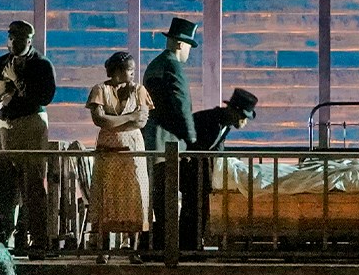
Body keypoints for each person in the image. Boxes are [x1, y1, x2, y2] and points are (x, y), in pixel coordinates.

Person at [0, 20, 56, 252]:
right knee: (3, 185)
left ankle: (39, 241)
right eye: (11, 38)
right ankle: (3, 240)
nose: (14, 42)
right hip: (5, 126)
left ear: (29, 40)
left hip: (30, 125)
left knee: (33, 185)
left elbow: (45, 96)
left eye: (19, 38)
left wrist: (17, 81)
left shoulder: (41, 64)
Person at [86, 51, 153, 250]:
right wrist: (128, 118)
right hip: (108, 149)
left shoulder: (138, 90)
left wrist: (114, 121)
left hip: (132, 149)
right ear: (117, 71)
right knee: (106, 194)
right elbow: (100, 119)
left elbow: (142, 120)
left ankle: (133, 248)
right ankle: (103, 248)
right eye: (129, 70)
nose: (133, 74)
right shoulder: (100, 90)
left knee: (134, 193)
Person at [142, 17, 198, 249]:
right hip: (167, 144)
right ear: (179, 44)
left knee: (158, 196)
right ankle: (170, 246)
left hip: (154, 140)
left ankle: (158, 243)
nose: (188, 53)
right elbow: (181, 104)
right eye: (188, 47)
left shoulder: (155, 64)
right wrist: (192, 138)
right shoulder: (172, 65)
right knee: (168, 196)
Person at [183, 88, 258, 249]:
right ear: (234, 111)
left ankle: (194, 243)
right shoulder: (209, 120)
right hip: (190, 166)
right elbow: (195, 144)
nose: (244, 122)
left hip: (201, 168)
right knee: (192, 206)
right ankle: (189, 245)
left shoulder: (225, 124)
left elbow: (217, 148)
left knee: (199, 206)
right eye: (243, 117)